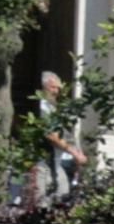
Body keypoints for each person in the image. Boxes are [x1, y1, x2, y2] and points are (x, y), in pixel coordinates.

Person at [34, 71, 87, 204]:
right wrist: (73, 152)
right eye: (53, 87)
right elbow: (51, 136)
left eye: (58, 88)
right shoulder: (43, 107)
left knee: (63, 193)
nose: (57, 91)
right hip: (43, 162)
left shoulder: (53, 108)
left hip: (57, 161)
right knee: (42, 199)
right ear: (44, 87)